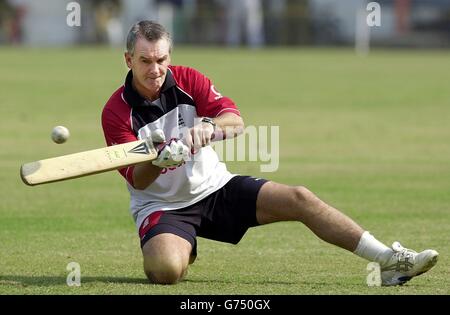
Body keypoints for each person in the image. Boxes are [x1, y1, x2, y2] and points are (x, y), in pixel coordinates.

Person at [101, 20, 439, 285]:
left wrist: (210, 127)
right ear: (129, 59)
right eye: (145, 61)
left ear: (169, 56)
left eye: (161, 59)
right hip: (162, 205)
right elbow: (140, 181)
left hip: (214, 187)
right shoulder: (116, 112)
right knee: (166, 271)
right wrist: (159, 162)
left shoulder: (190, 80)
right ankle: (181, 246)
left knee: (299, 198)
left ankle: (390, 261)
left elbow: (235, 122)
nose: (155, 70)